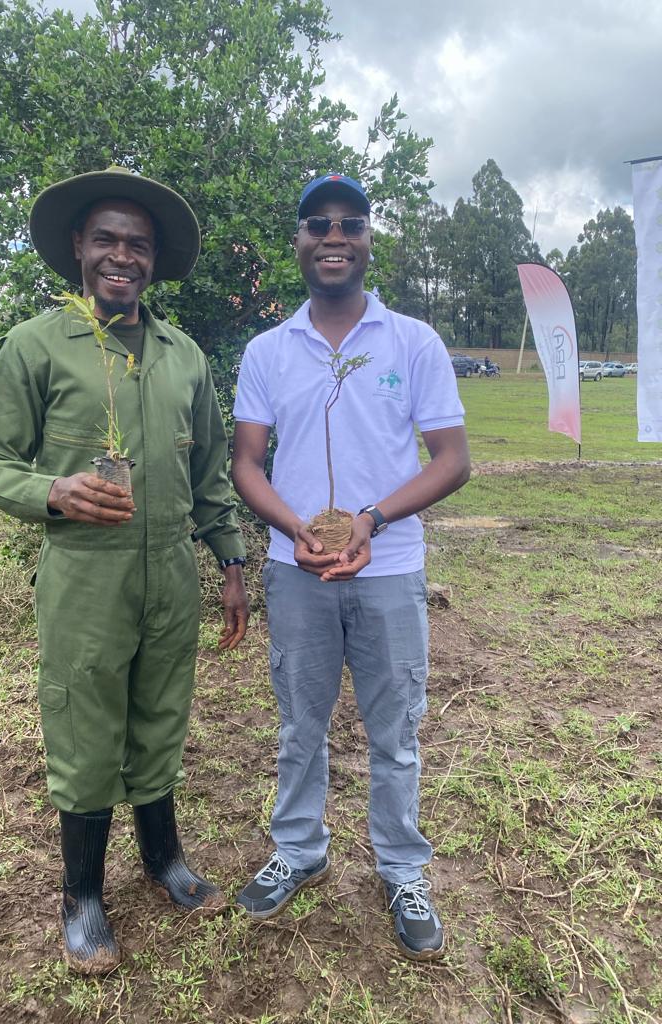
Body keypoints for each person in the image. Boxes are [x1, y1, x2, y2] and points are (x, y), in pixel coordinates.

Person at [0, 167, 249, 974]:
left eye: (139, 244)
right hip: (85, 575)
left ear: (153, 261)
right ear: (79, 249)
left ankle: (164, 860)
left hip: (170, 573)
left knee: (160, 714)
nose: (122, 255)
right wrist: (51, 489)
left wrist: (230, 562)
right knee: (87, 726)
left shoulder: (184, 357)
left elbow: (211, 477)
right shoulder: (34, 346)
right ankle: (81, 892)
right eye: (107, 239)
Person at [231, 173, 470, 960]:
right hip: (294, 570)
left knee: (394, 732)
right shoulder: (269, 350)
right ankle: (299, 850)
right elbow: (246, 464)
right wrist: (298, 528)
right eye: (317, 224)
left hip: (390, 569)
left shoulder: (413, 342)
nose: (334, 236)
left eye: (350, 223)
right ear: (297, 242)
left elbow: (452, 460)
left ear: (369, 241)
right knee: (301, 726)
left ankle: (403, 869)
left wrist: (371, 519)